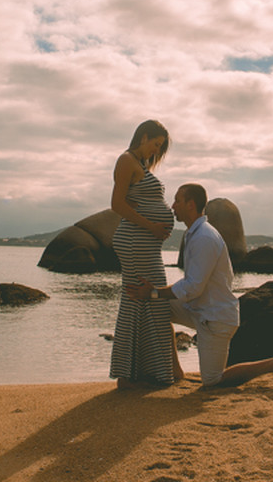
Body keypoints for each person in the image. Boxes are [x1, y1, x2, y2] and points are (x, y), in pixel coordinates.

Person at [129, 183, 273, 390]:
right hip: (199, 310)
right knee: (157, 306)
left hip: (216, 319)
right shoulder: (194, 234)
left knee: (213, 381)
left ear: (190, 205)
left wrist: (153, 292)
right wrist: (155, 295)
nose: (172, 206)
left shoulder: (204, 237)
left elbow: (192, 288)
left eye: (177, 201)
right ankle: (175, 370)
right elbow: (193, 288)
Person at [109, 119, 178, 388]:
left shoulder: (140, 165)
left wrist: (156, 225)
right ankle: (132, 375)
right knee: (144, 298)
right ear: (144, 136)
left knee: (145, 299)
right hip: (135, 241)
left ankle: (141, 372)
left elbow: (134, 199)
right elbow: (116, 204)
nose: (155, 151)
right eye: (155, 144)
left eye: (160, 148)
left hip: (144, 241)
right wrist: (152, 225)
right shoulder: (126, 160)